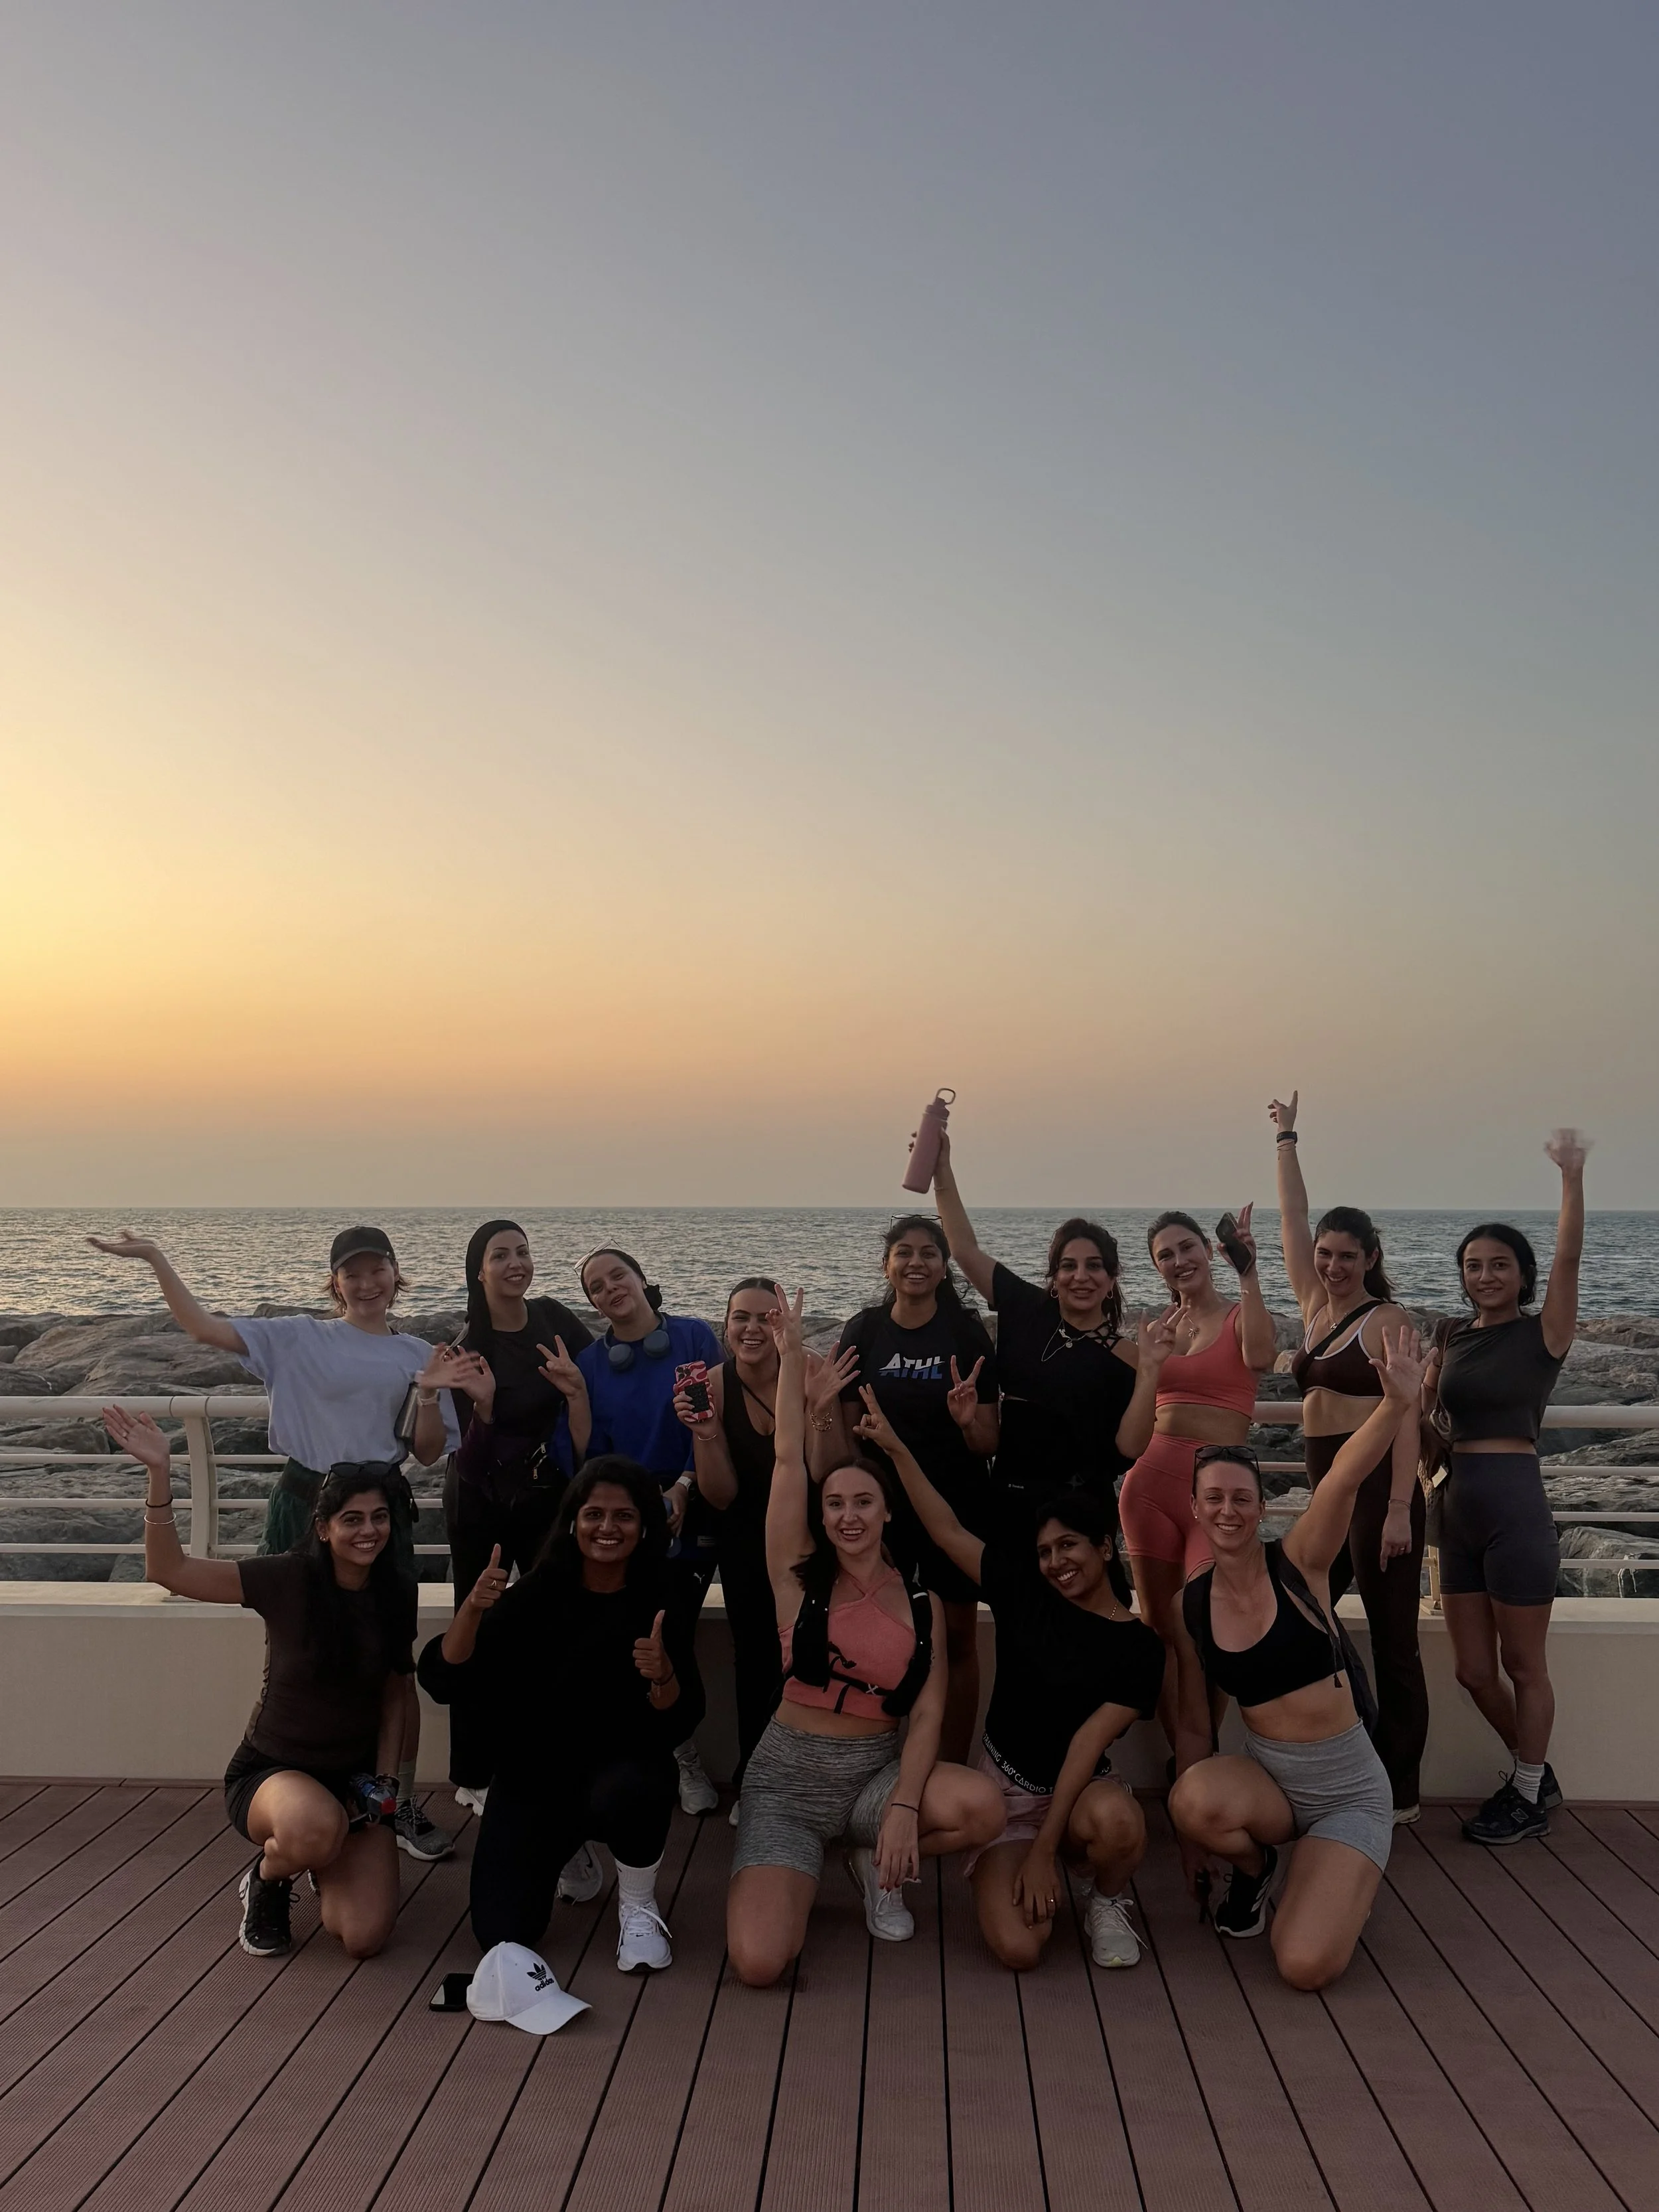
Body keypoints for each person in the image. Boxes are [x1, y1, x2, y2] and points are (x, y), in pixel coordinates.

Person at [88, 1222, 461, 1862]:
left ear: (398, 1274)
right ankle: (293, 1784)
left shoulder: (418, 1354)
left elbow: (427, 1452)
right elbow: (203, 1327)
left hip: (379, 1508)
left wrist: (429, 1391)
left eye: (379, 1269)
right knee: (295, 1648)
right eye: (354, 1272)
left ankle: (392, 1801)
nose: (368, 1283)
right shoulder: (296, 1336)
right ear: (335, 1281)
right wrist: (155, 1257)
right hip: (307, 1502)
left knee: (395, 1667)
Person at [726, 1289, 1002, 1986]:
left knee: (980, 1808)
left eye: (863, 1503)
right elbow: (790, 1460)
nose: (849, 1517)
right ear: (820, 1517)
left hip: (872, 1778)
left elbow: (929, 1714)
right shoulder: (795, 1577)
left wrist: (904, 1807)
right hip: (787, 1780)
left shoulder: (919, 1599)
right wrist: (791, 1359)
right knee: (759, 1962)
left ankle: (873, 1862)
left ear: (885, 1513)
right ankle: (808, 1862)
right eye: (836, 1505)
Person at [864, 1392, 1166, 1972]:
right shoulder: (1024, 1591)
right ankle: (1032, 1867)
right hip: (1004, 1793)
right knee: (1021, 1950)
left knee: (1119, 1822)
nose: (1056, 1562)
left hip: (1080, 1795)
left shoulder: (1140, 1646)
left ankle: (1105, 1898)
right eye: (1045, 1551)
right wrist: (897, 1448)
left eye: (1069, 1545)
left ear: (1105, 1546)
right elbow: (946, 1528)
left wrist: (1046, 1849)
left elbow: (1085, 1745)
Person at [104, 1404, 414, 1960]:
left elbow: (395, 1694)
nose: (369, 1531)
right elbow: (169, 1570)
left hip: (355, 1784)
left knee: (364, 1936)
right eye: (352, 1519)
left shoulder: (395, 1591)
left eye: (379, 1517)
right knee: (314, 1827)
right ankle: (270, 1877)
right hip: (274, 1774)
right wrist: (158, 1474)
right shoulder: (287, 1578)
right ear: (323, 1527)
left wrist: (387, 1785)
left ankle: (321, 1850)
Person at [1168, 1327, 1425, 1991]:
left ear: (1259, 1508)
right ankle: (1259, 1874)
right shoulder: (1189, 1605)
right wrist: (1191, 1838)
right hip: (1275, 1791)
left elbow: (1341, 1478)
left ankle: (1343, 1879)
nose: (1227, 1510)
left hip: (1347, 1795)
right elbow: (1195, 1723)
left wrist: (1395, 1405)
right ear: (1195, 1508)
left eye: (1240, 1498)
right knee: (1191, 1798)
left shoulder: (1300, 1564)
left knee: (1303, 1964)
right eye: (1213, 1498)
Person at [418, 1457, 704, 1974]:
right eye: (594, 1514)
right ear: (573, 1521)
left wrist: (663, 1675)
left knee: (637, 1784)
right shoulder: (536, 1593)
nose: (608, 1528)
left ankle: (638, 1904)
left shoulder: (667, 1593)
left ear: (645, 1526)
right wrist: (472, 1612)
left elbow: (683, 1717)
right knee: (502, 1936)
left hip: (624, 1771)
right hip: (537, 1777)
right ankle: (568, 1850)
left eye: (625, 1516)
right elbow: (445, 1681)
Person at [1425, 1132, 1588, 1846]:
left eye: (1498, 1266)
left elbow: (1568, 1258)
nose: (1485, 1276)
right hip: (1454, 1505)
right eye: (1473, 1266)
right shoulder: (1452, 1335)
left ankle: (1525, 1789)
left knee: (1523, 1665)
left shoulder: (1542, 1334)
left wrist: (1571, 1179)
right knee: (1470, 1670)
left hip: (1515, 1507)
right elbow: (1431, 1424)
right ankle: (1534, 1772)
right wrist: (1416, 1392)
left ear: (1521, 1275)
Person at [1269, 1092, 1427, 1824]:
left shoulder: (1386, 1321)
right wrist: (1286, 1138)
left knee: (1394, 1643)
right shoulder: (1313, 1306)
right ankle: (1331, 1758)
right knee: (1303, 1615)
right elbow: (1292, 1219)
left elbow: (1404, 1418)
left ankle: (1400, 1793)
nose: (1330, 1264)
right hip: (1326, 1492)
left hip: (1373, 1495)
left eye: (1345, 1256)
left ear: (1371, 1259)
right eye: (1324, 1255)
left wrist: (1399, 1506)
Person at [808, 1216, 999, 1764]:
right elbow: (844, 1440)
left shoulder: (965, 1331)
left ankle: (951, 1766)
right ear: (886, 1264)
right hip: (882, 1513)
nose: (916, 1262)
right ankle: (875, 1764)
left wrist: (966, 1420)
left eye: (929, 1253)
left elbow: (987, 1441)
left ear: (944, 1267)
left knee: (959, 1642)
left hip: (955, 1509)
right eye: (904, 1252)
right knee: (878, 1635)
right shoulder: (864, 1330)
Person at [929, 1126, 1173, 1542]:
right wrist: (941, 1169)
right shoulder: (1027, 1309)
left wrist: (1150, 1372)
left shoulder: (1128, 1355)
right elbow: (964, 1249)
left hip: (1082, 1517)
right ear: (1054, 1276)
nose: (1081, 1277)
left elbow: (1129, 1449)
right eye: (1069, 1266)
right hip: (1013, 1503)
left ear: (1112, 1279)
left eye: (1094, 1266)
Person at [441, 1219, 593, 1812]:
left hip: (547, 1497)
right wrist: (484, 1404)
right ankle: (472, 1772)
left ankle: (554, 1751)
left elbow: (599, 1374)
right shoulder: (467, 1345)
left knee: (559, 1619)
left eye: (523, 1252)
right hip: (481, 1502)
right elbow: (468, 1456)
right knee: (476, 1625)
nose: (515, 1263)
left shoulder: (553, 1318)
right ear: (479, 1270)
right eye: (500, 1254)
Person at [1117, 1208, 1277, 1745]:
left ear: (1209, 1252)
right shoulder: (1161, 1327)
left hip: (1217, 1492)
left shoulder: (1238, 1314)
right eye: (1166, 1254)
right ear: (1156, 1266)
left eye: (1188, 1248)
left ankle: (1201, 1752)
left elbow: (1261, 1353)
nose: (1179, 1260)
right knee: (1162, 1629)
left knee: (1207, 1627)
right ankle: (1185, 1755)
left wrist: (1248, 1269)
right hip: (1149, 1488)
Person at [575, 1247, 725, 1814]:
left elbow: (710, 1417)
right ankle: (658, 1751)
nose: (610, 1287)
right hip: (627, 1513)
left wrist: (683, 1486)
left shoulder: (692, 1340)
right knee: (634, 1635)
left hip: (694, 1496)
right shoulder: (590, 1364)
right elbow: (590, 1452)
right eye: (596, 1285)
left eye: (618, 1275)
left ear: (640, 1279)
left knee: (676, 1632)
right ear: (592, 1302)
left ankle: (683, 1756)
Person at [674, 1278, 788, 1815]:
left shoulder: (807, 1372)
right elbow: (719, 1494)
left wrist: (824, 1405)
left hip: (809, 1536)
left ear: (784, 1323)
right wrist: (706, 1431)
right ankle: (756, 1780)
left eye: (768, 1317)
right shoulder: (714, 1385)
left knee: (812, 1659)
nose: (752, 1328)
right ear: (726, 1326)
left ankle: (807, 1782)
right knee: (757, 1661)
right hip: (744, 1536)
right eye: (741, 1316)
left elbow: (833, 1470)